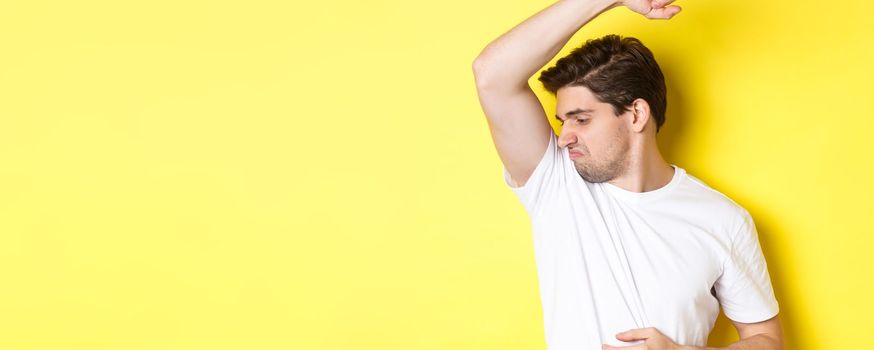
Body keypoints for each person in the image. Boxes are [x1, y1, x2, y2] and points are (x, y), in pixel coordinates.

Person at [471, 1, 784, 349]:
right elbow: (491, 74)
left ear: (636, 114)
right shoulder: (556, 182)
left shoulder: (723, 219)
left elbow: (766, 339)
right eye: (563, 121)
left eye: (582, 119)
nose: (564, 137)